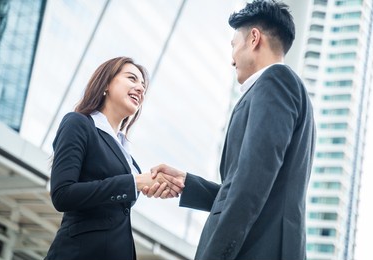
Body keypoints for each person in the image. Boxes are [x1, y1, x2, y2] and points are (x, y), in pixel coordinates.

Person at [143, 1, 316, 260]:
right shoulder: (282, 87)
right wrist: (187, 184)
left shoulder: (275, 82)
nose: (231, 58)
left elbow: (250, 185)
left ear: (254, 39)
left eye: (234, 45)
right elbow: (250, 187)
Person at [45, 57, 184, 260]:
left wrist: (153, 185)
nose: (140, 89)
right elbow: (62, 194)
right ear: (106, 84)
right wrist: (134, 182)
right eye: (132, 79)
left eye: (143, 86)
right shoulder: (79, 124)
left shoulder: (127, 154)